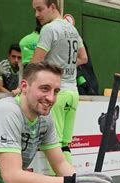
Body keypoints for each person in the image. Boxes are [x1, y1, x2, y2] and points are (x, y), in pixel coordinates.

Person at [31, 0, 88, 164]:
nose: (37, 14)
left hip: (57, 93)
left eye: (40, 9)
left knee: (52, 145)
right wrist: (65, 65)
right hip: (73, 93)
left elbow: (35, 63)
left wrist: (22, 87)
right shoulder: (73, 29)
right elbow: (83, 58)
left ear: (52, 7)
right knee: (64, 145)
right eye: (35, 10)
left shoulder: (49, 29)